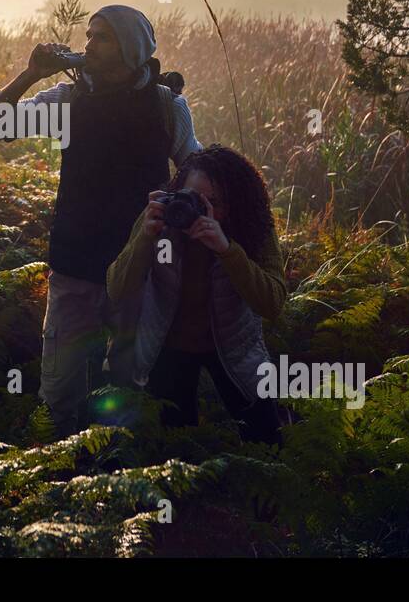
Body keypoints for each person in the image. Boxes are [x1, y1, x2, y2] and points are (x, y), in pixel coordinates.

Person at [0, 5, 199, 437]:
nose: (88, 44)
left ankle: (119, 481)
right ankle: (58, 480)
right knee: (57, 396)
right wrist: (31, 74)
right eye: (89, 35)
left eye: (102, 37)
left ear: (130, 49)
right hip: (73, 267)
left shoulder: (167, 107)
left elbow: (196, 176)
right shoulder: (69, 100)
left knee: (129, 391)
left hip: (138, 272)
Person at [105, 144, 288, 444]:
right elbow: (117, 288)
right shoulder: (162, 218)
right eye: (191, 197)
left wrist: (227, 250)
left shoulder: (252, 227)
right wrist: (146, 238)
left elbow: (273, 303)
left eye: (214, 202)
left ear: (236, 203)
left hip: (233, 345)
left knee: (267, 439)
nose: (201, 209)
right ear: (177, 192)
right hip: (168, 345)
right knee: (174, 446)